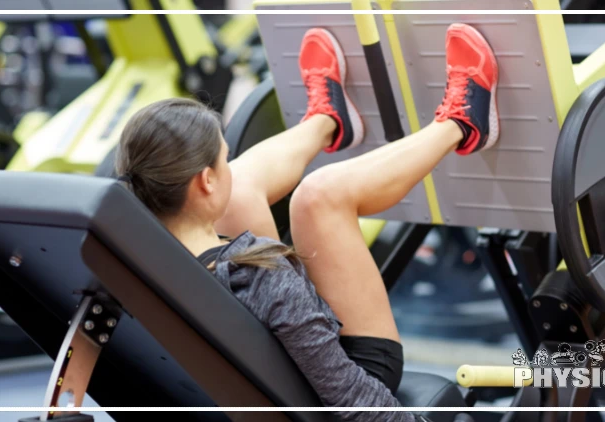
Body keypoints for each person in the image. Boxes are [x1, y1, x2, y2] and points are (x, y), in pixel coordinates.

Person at [115, 23, 499, 421]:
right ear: (206, 180)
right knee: (320, 196)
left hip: (281, 375)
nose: (227, 165)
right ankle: (463, 122)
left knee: (243, 187)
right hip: (341, 382)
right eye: (223, 159)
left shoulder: (134, 261)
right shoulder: (262, 275)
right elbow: (351, 398)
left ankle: (328, 118)